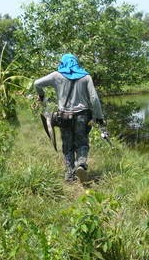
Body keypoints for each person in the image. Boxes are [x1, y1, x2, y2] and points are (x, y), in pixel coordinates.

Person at [34, 53, 105, 182]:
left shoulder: (56, 76)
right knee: (82, 142)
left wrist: (42, 97)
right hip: (82, 115)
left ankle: (70, 175)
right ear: (76, 62)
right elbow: (94, 98)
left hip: (64, 116)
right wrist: (98, 116)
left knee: (67, 145)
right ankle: (81, 164)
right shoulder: (86, 76)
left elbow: (37, 83)